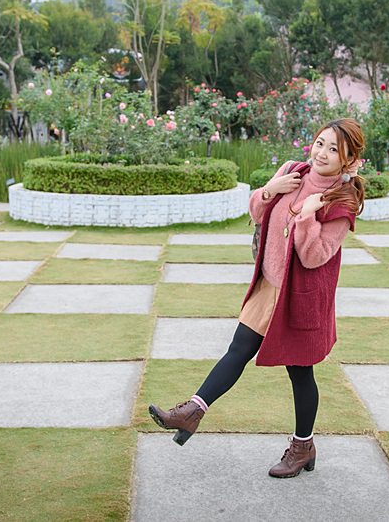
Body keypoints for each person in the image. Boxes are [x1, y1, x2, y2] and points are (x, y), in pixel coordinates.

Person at [149, 118, 366, 478]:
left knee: (300, 373)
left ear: (349, 160)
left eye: (333, 149)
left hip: (299, 298)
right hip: (269, 285)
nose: (322, 153)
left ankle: (302, 447)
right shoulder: (292, 172)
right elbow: (257, 213)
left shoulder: (342, 201)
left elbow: (315, 256)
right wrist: (270, 189)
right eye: (320, 143)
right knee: (237, 351)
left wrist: (309, 215)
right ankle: (192, 412)